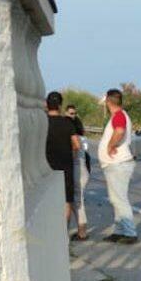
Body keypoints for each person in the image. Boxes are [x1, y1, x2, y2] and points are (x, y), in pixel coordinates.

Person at [98, 89, 138, 244]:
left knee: (119, 199)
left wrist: (110, 145)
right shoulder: (120, 115)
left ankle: (129, 232)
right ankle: (119, 230)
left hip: (118, 164)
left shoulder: (119, 115)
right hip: (115, 164)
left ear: (108, 101)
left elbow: (119, 131)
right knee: (115, 199)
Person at [44, 91, 79, 233]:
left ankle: (49, 229)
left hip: (46, 165)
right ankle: (63, 232)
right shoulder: (67, 122)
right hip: (65, 166)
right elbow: (76, 145)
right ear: (60, 105)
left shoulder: (42, 121)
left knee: (47, 197)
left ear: (47, 104)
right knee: (66, 199)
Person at [67, 105, 90, 241]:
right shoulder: (82, 138)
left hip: (77, 171)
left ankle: (82, 232)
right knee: (77, 201)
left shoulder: (75, 139)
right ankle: (81, 230)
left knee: (77, 202)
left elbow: (74, 154)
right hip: (83, 171)